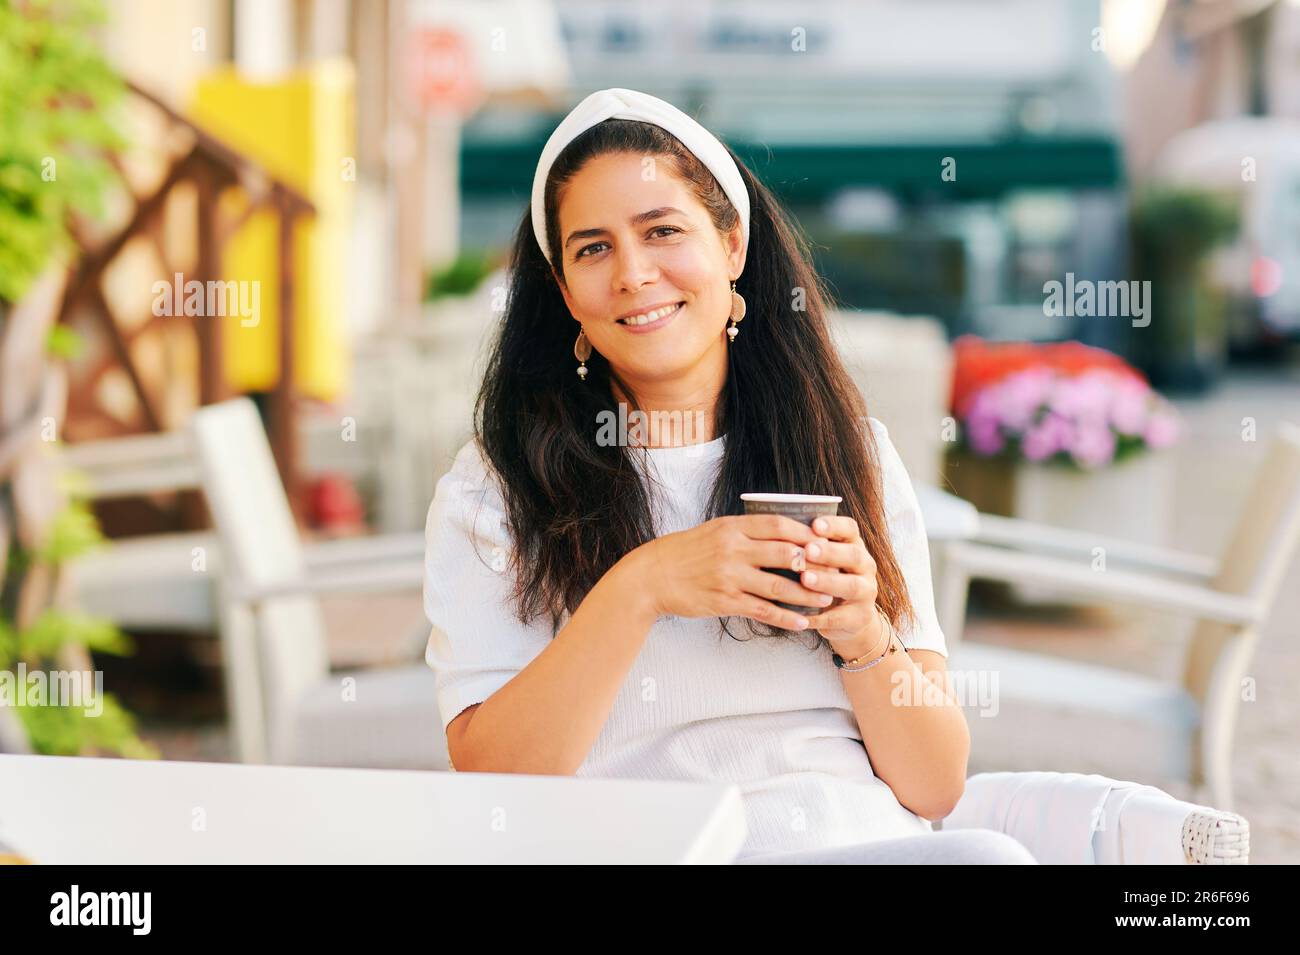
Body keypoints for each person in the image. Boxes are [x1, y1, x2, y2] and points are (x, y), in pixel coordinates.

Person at [423, 88, 1036, 865]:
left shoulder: (851, 453)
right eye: (594, 248)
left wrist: (863, 634)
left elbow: (937, 784)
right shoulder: (496, 488)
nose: (635, 274)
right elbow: (497, 779)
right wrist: (641, 586)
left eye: (662, 231)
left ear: (733, 246)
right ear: (564, 291)